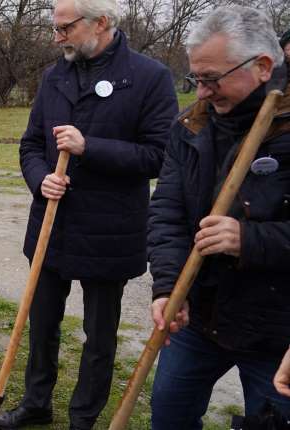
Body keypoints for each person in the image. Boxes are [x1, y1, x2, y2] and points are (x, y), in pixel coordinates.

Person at [0, 0, 179, 427]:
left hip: (109, 231)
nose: (57, 38)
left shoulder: (149, 77)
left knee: (99, 337)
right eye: (54, 29)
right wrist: (41, 179)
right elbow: (31, 144)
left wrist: (90, 146)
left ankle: (83, 417)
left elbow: (160, 155)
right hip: (52, 225)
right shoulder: (55, 76)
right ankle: (36, 402)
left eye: (65, 29)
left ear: (101, 23)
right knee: (41, 325)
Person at [146, 6, 290, 428]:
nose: (202, 92)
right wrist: (169, 288)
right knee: (168, 416)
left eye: (212, 79)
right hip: (201, 317)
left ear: (262, 66)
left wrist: (249, 239)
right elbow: (167, 212)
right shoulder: (190, 126)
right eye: (197, 79)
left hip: (277, 332)